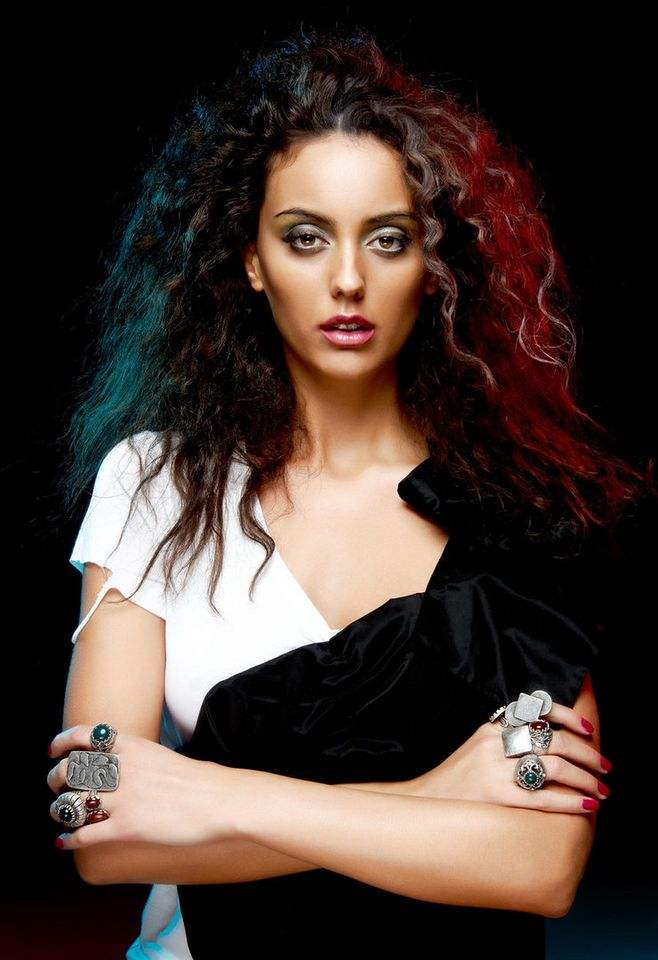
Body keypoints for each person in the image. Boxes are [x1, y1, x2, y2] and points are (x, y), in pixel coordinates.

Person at [47, 24, 652, 959]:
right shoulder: (154, 485)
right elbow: (94, 817)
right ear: (251, 260)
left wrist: (203, 794)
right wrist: (431, 804)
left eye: (388, 239)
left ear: (435, 267)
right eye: (304, 238)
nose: (347, 280)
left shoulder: (522, 508)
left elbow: (539, 865)